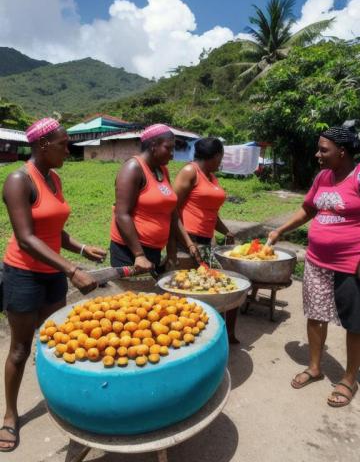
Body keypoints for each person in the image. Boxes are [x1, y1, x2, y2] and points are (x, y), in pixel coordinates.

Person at [0, 118, 106, 452]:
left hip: (51, 274)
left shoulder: (54, 178)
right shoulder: (18, 180)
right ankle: (10, 415)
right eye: (63, 143)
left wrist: (81, 247)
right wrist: (73, 270)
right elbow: (27, 238)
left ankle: (59, 399)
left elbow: (54, 230)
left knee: (55, 341)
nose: (68, 149)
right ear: (43, 145)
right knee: (20, 348)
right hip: (23, 274)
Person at [268, 127, 360, 407]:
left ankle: (349, 378)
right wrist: (279, 230)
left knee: (354, 324)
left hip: (350, 263)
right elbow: (308, 209)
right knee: (315, 314)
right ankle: (315, 367)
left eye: (323, 149)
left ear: (341, 152)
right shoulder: (323, 177)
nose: (317, 154)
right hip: (317, 261)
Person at [169, 137, 239, 343]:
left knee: (222, 286)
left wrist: (226, 231)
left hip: (206, 242)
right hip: (188, 240)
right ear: (216, 156)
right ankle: (186, 336)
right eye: (221, 157)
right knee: (188, 289)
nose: (221, 162)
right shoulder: (190, 172)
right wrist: (188, 243)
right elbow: (172, 209)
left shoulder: (211, 176)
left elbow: (211, 213)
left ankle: (225, 333)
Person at [110, 124, 200, 272]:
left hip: (154, 250)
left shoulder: (162, 170)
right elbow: (122, 214)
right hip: (130, 252)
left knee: (151, 294)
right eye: (168, 148)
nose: (172, 154)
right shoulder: (133, 168)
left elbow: (171, 212)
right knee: (135, 295)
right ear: (153, 146)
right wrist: (139, 255)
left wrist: (178, 248)